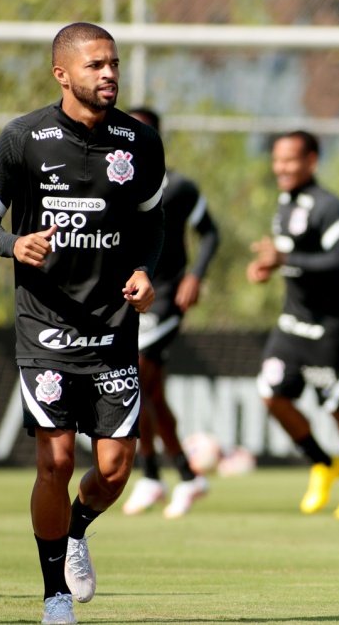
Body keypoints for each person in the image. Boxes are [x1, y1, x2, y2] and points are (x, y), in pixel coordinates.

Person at [0, 22, 165, 625]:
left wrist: (145, 268)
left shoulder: (140, 142)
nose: (108, 75)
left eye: (113, 64)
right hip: (45, 327)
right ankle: (55, 593)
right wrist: (12, 244)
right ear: (62, 74)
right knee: (53, 461)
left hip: (112, 330)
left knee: (112, 472)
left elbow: (153, 224)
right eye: (95, 66)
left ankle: (77, 530)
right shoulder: (22, 138)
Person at [247, 130, 339, 519]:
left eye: (290, 160)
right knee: (272, 394)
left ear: (311, 162)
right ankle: (323, 462)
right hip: (292, 324)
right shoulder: (285, 202)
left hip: (330, 329)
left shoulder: (328, 206)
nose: (281, 167)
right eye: (277, 160)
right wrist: (268, 266)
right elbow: (293, 257)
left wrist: (285, 258)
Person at [121, 107, 220, 519]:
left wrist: (194, 276)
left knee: (139, 375)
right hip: (126, 295)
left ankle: (156, 475)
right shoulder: (113, 184)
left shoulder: (177, 187)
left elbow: (210, 232)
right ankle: (177, 474)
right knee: (149, 389)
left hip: (165, 297)